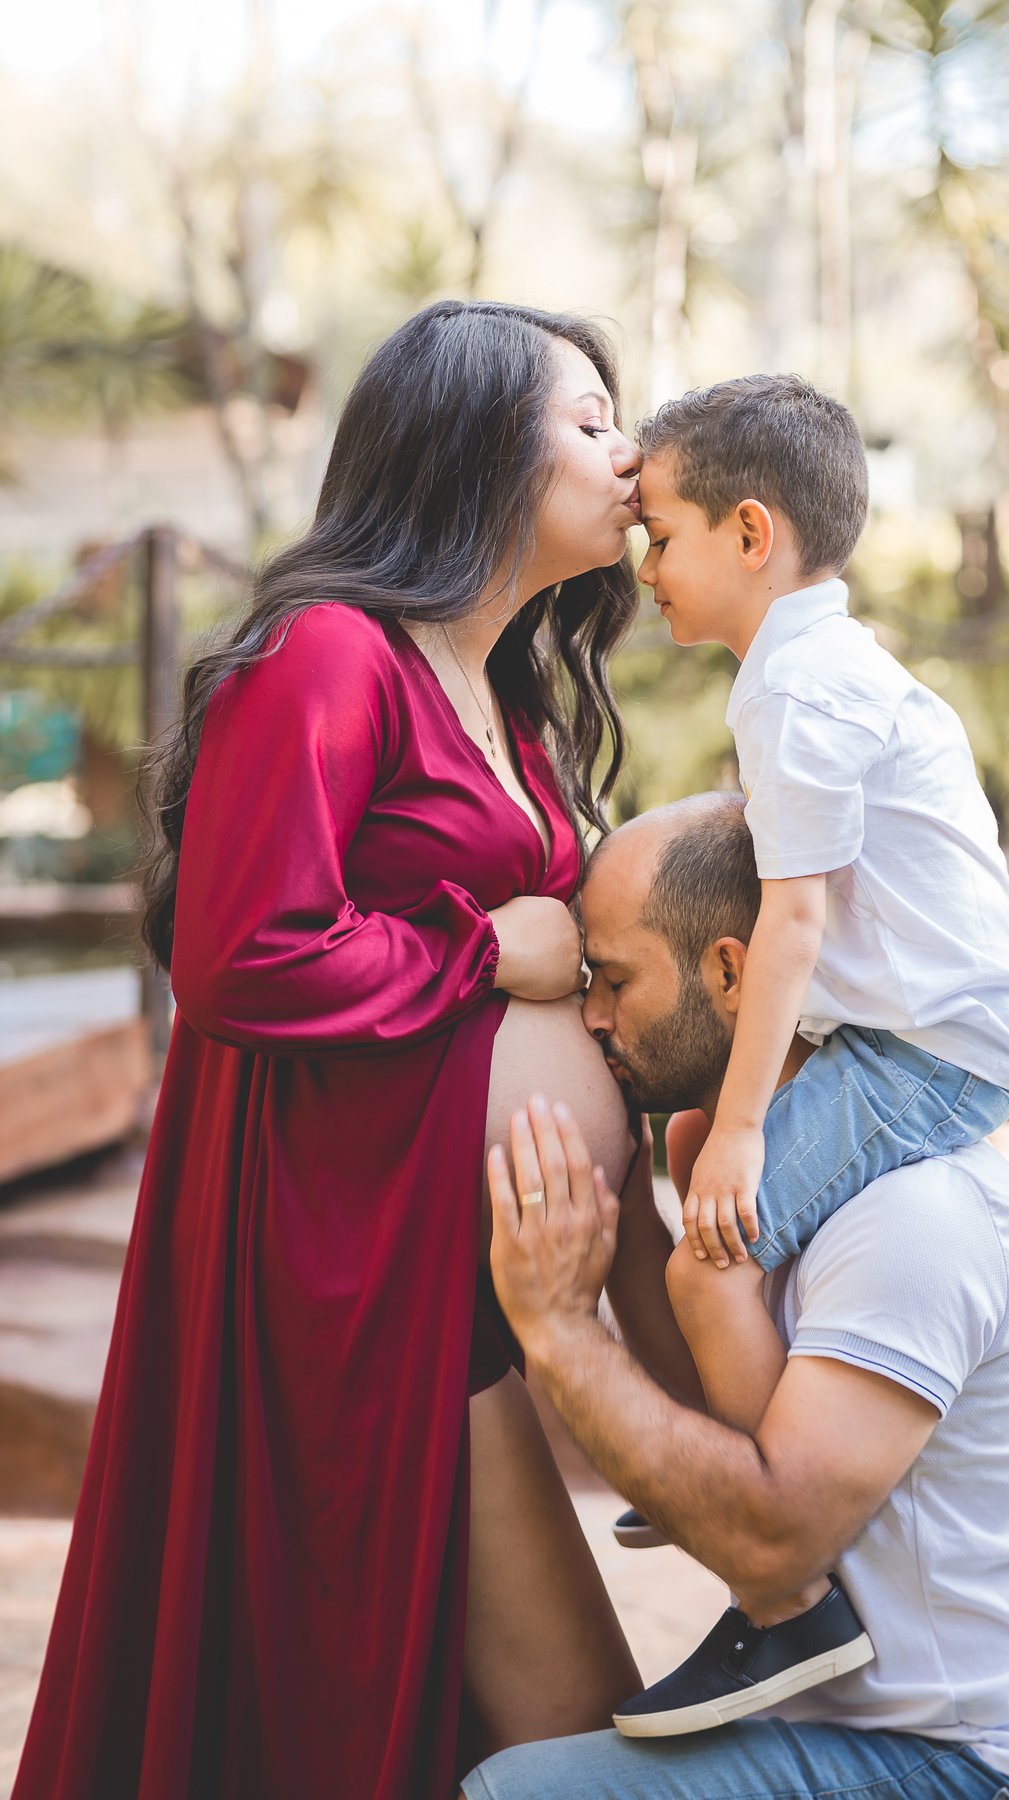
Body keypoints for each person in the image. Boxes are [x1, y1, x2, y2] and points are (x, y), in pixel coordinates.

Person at [13, 301, 649, 1800]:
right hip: (349, 1269)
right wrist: (484, 951)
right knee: (547, 1724)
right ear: (475, 449)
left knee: (551, 1731)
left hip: (453, 1270)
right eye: (589, 421)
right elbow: (243, 955)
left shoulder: (509, 693)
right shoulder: (329, 656)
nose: (630, 454)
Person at [463, 792, 1009, 1800]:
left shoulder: (912, 1215)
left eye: (614, 981)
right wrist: (624, 1228)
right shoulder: (744, 1185)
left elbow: (768, 1542)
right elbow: (716, 1432)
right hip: (865, 1736)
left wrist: (562, 1333)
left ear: (731, 974)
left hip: (999, 1768)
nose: (593, 1016)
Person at [616, 375, 1009, 1710]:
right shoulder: (817, 665)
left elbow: (794, 923)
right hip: (922, 1029)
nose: (646, 573)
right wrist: (724, 1128)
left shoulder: (798, 692)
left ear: (752, 534)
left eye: (662, 538)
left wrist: (747, 1132)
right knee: (697, 1144)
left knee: (707, 1260)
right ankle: (740, 1437)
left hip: (927, 1053)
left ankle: (788, 1590)